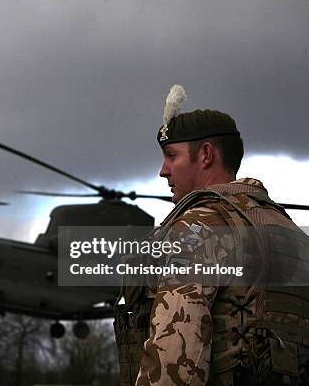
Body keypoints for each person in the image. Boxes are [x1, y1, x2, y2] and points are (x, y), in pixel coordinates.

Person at [113, 85, 309, 385]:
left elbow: (175, 365)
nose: (163, 171)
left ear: (205, 155)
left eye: (171, 156)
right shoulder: (290, 231)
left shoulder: (198, 229)